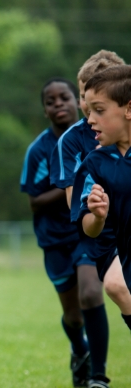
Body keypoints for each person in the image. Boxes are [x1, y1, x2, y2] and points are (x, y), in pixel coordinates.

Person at [49, 50, 129, 388]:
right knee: (104, 290)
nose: (87, 111)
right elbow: (80, 213)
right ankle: (95, 370)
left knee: (113, 288)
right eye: (85, 97)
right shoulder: (88, 154)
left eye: (97, 105)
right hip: (96, 237)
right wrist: (96, 211)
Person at [20, 78, 91, 388]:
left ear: (78, 101)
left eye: (64, 98)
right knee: (74, 316)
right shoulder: (39, 150)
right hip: (54, 239)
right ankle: (79, 350)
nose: (59, 104)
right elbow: (35, 202)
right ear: (45, 111)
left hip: (87, 231)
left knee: (91, 294)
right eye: (51, 102)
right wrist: (70, 183)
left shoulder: (97, 137)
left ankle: (97, 373)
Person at [79, 64, 131, 352]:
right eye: (87, 110)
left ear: (128, 109)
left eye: (98, 110)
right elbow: (88, 226)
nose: (89, 120)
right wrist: (98, 215)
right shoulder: (95, 164)